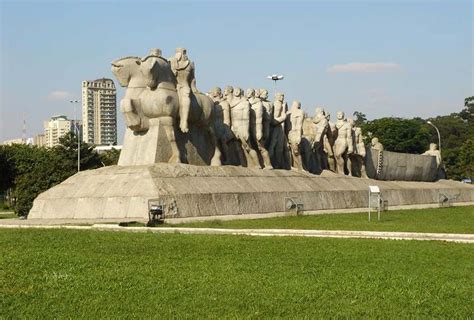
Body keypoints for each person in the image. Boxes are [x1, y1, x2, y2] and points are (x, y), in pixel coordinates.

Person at [169, 47, 197, 133]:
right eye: (181, 52)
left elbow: (192, 78)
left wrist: (194, 88)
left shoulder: (190, 64)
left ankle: (184, 121)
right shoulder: (170, 61)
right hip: (172, 85)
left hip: (184, 85)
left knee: (186, 96)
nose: (183, 54)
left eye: (184, 52)